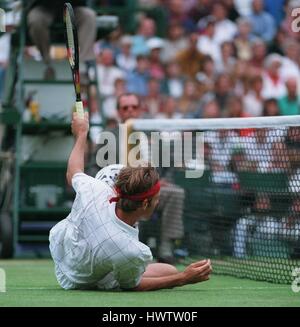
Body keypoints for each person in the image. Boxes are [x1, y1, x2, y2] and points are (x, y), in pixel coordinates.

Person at [49, 112, 212, 291]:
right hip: (77, 280)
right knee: (170, 273)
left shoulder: (97, 191)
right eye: (156, 199)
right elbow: (133, 286)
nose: (158, 203)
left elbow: (73, 171)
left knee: (168, 269)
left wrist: (81, 134)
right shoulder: (132, 251)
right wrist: (183, 278)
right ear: (144, 204)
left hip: (62, 248)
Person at [94, 93, 186, 264]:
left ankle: (166, 248)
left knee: (176, 192)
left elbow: (169, 164)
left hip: (152, 189)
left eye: (134, 107)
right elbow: (94, 167)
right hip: (120, 192)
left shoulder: (154, 134)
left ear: (140, 110)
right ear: (118, 112)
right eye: (125, 108)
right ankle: (130, 248)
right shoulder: (108, 136)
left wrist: (162, 180)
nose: (130, 111)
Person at [27, 0, 96, 79]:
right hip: (43, 7)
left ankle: (82, 65)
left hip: (72, 7)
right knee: (36, 20)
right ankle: (47, 63)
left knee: (89, 16)